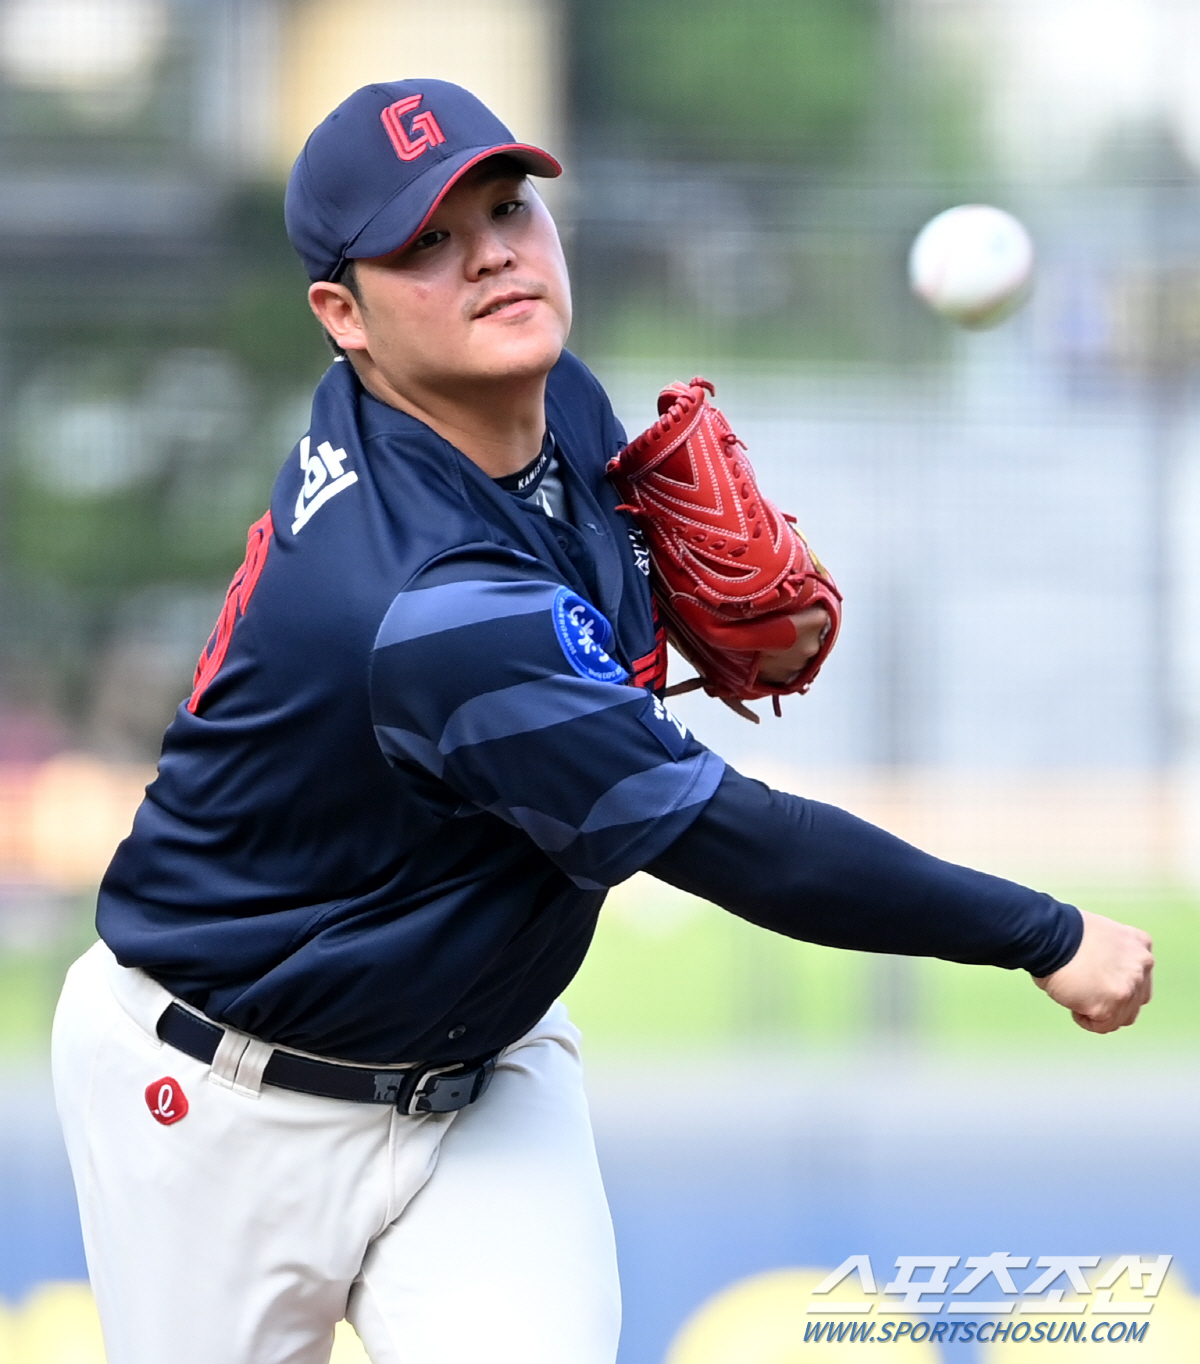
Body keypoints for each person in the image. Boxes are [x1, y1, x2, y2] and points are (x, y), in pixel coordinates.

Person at [51, 79, 1153, 1364]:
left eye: (508, 206)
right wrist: (1042, 930)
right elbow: (743, 845)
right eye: (428, 243)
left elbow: (578, 574)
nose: (495, 257)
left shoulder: (543, 396)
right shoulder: (426, 608)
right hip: (220, 1095)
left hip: (483, 1066)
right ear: (340, 314)